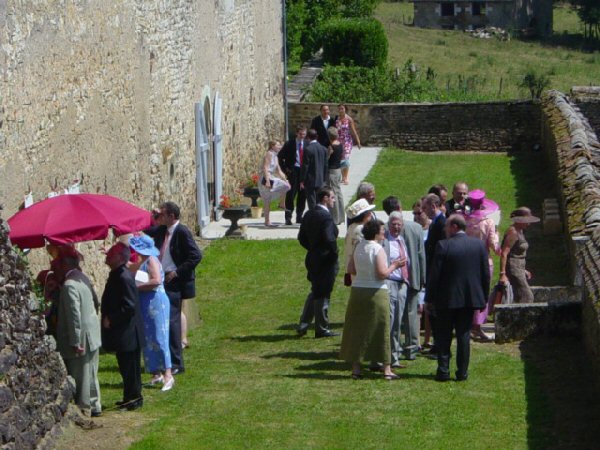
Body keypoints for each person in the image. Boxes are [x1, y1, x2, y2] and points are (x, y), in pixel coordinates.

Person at [425, 214, 490, 382]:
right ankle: (462, 372)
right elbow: (485, 275)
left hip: (446, 299)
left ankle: (443, 370)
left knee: (444, 335)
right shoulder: (478, 245)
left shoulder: (443, 245)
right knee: (463, 335)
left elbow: (435, 276)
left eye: (447, 227)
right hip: (469, 299)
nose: (445, 230)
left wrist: (429, 298)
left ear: (454, 227)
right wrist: (483, 298)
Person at [339, 219, 405, 380]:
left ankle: (356, 368)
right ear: (376, 233)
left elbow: (350, 269)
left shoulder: (358, 246)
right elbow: (382, 273)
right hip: (376, 291)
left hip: (358, 291)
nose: (384, 233)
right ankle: (386, 368)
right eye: (382, 230)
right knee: (381, 328)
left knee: (357, 329)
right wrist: (395, 266)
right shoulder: (378, 249)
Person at [147, 202, 202, 375]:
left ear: (172, 216)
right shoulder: (163, 231)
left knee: (172, 321)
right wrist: (153, 217)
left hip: (174, 283)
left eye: (163, 215)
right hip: (163, 280)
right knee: (165, 321)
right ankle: (167, 360)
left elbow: (196, 255)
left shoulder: (182, 232)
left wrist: (177, 272)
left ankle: (177, 363)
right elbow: (147, 230)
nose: (160, 217)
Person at [55, 249, 102, 417]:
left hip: (81, 337)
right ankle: (95, 405)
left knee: (81, 375)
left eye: (57, 264)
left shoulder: (69, 285)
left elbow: (74, 315)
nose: (55, 268)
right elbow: (96, 302)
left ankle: (85, 409)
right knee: (91, 373)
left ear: (64, 264)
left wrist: (75, 342)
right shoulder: (82, 278)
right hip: (92, 334)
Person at [101, 243, 145, 411]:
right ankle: (129, 397)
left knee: (130, 367)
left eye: (110, 254)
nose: (107, 256)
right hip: (125, 332)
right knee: (126, 366)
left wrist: (111, 319)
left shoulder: (123, 277)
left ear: (120, 257)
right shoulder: (118, 274)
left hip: (128, 332)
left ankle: (134, 399)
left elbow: (130, 306)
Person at [128, 235, 175, 392]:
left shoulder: (152, 260)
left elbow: (156, 281)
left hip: (156, 301)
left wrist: (137, 287)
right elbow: (128, 267)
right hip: (145, 302)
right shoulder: (142, 261)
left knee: (159, 337)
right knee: (148, 337)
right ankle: (156, 372)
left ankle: (168, 374)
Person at [382, 204, 426, 362]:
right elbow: (421, 256)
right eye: (393, 224)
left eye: (398, 224)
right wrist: (422, 277)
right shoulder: (416, 228)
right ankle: (410, 349)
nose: (396, 226)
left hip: (406, 279)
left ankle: (403, 349)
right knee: (409, 315)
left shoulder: (392, 234)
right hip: (401, 279)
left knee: (401, 316)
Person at [297, 187, 339, 338]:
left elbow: (301, 238)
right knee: (323, 292)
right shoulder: (325, 217)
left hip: (313, 258)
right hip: (325, 260)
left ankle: (304, 324)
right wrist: (334, 254)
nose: (334, 200)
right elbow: (330, 239)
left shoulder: (309, 214)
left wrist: (313, 249)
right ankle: (321, 328)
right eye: (332, 197)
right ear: (325, 199)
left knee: (316, 290)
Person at [462, 189, 500, 341]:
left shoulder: (463, 221)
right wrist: (496, 235)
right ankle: (477, 326)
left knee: (467, 292)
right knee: (482, 292)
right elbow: (494, 246)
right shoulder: (488, 222)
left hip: (465, 261)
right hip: (483, 262)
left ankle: (467, 323)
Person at [422, 193, 447, 354]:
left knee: (436, 311)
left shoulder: (441, 224)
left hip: (438, 274)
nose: (423, 211)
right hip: (432, 270)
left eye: (425, 207)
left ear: (433, 206)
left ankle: (440, 345)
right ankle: (437, 344)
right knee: (432, 310)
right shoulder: (435, 223)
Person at [499, 207, 540, 303]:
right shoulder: (513, 232)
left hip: (519, 267)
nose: (528, 224)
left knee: (519, 295)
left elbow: (516, 252)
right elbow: (504, 253)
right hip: (513, 269)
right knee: (527, 296)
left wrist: (523, 270)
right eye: (526, 221)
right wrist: (503, 274)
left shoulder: (520, 231)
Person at [278, 125, 308, 225]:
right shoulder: (290, 143)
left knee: (302, 195)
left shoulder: (307, 144)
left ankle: (299, 216)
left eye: (304, 134)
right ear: (296, 133)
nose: (302, 136)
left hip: (303, 172)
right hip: (293, 171)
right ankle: (288, 217)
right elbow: (280, 157)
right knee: (291, 194)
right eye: (300, 134)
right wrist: (285, 170)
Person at [258, 140, 291, 227]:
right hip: (265, 178)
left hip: (271, 177)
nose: (280, 147)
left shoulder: (276, 157)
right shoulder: (269, 154)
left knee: (286, 185)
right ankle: (267, 221)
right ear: (272, 146)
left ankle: (281, 204)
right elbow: (265, 168)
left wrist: (285, 179)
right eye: (278, 145)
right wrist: (267, 180)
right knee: (267, 200)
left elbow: (278, 170)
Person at [344, 199, 376, 284]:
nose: (371, 214)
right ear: (363, 215)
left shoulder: (352, 226)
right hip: (359, 269)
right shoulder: (360, 230)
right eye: (368, 212)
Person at [300, 129, 329, 210]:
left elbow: (305, 166)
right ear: (317, 137)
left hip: (310, 179)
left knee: (311, 201)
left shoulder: (308, 149)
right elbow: (326, 165)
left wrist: (302, 179)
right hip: (320, 179)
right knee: (320, 200)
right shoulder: (324, 149)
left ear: (308, 138)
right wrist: (324, 178)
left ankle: (314, 217)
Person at [336, 104, 361, 185]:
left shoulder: (349, 119)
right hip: (339, 141)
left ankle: (346, 178)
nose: (340, 110)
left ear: (345, 109)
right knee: (341, 159)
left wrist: (358, 142)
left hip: (347, 141)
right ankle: (343, 176)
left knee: (345, 158)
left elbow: (354, 131)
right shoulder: (337, 118)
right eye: (339, 109)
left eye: (342, 108)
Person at [326, 126, 345, 225]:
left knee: (334, 194)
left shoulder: (331, 147)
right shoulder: (340, 145)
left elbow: (327, 159)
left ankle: (335, 218)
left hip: (332, 171)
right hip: (338, 170)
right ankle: (342, 216)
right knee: (339, 193)